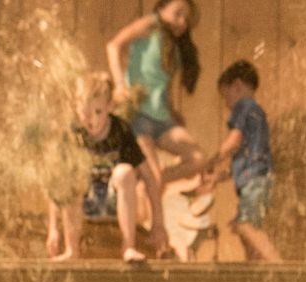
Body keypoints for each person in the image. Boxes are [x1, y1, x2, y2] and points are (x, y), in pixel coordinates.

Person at [106, 0, 209, 257]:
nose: (182, 22)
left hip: (161, 117)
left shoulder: (172, 46)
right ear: (162, 9)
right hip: (138, 114)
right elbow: (113, 45)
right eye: (178, 14)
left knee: (197, 158)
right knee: (151, 173)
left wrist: (173, 111)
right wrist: (120, 85)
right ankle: (158, 234)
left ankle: (151, 183)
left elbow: (159, 85)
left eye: (186, 18)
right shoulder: (150, 25)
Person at [46, 72, 149, 264]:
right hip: (84, 202)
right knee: (69, 178)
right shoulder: (72, 135)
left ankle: (129, 246)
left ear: (110, 106)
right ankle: (72, 249)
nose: (91, 120)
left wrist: (158, 225)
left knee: (125, 171)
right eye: (85, 113)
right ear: (76, 107)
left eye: (98, 112)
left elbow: (149, 178)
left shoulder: (121, 130)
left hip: (114, 201)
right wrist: (53, 228)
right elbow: (56, 186)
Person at [198, 60, 278, 262]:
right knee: (245, 229)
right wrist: (219, 177)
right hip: (259, 180)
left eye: (226, 96)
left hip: (256, 182)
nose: (226, 104)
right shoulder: (256, 115)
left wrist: (212, 160)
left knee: (246, 226)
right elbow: (246, 159)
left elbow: (234, 140)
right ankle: (256, 270)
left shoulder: (245, 106)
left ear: (238, 86)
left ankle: (278, 267)